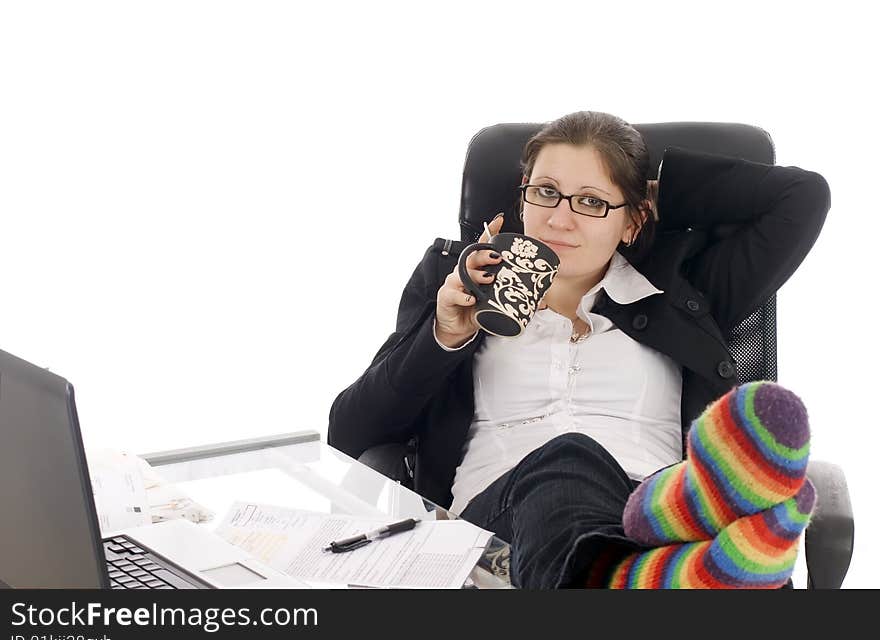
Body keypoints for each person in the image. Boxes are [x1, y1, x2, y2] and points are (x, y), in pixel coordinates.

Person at [328, 111, 831, 588]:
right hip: (497, 533)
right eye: (546, 192)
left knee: (648, 474)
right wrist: (442, 336)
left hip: (656, 512)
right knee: (570, 457)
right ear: (522, 199)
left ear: (634, 221)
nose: (559, 220)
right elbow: (352, 434)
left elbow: (803, 196)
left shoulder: (684, 291)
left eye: (591, 201)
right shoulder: (456, 280)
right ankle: (679, 575)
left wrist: (658, 191)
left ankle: (657, 565)